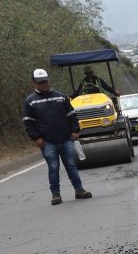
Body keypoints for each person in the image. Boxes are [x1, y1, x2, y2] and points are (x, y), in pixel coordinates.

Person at [22, 68, 93, 206]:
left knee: (71, 165)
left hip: (66, 138)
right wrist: (36, 138)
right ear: (34, 83)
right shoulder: (30, 101)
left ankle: (79, 190)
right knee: (53, 167)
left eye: (45, 81)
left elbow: (72, 115)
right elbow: (28, 122)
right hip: (47, 142)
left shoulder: (61, 97)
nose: (44, 84)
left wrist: (75, 130)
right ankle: (56, 195)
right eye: (40, 82)